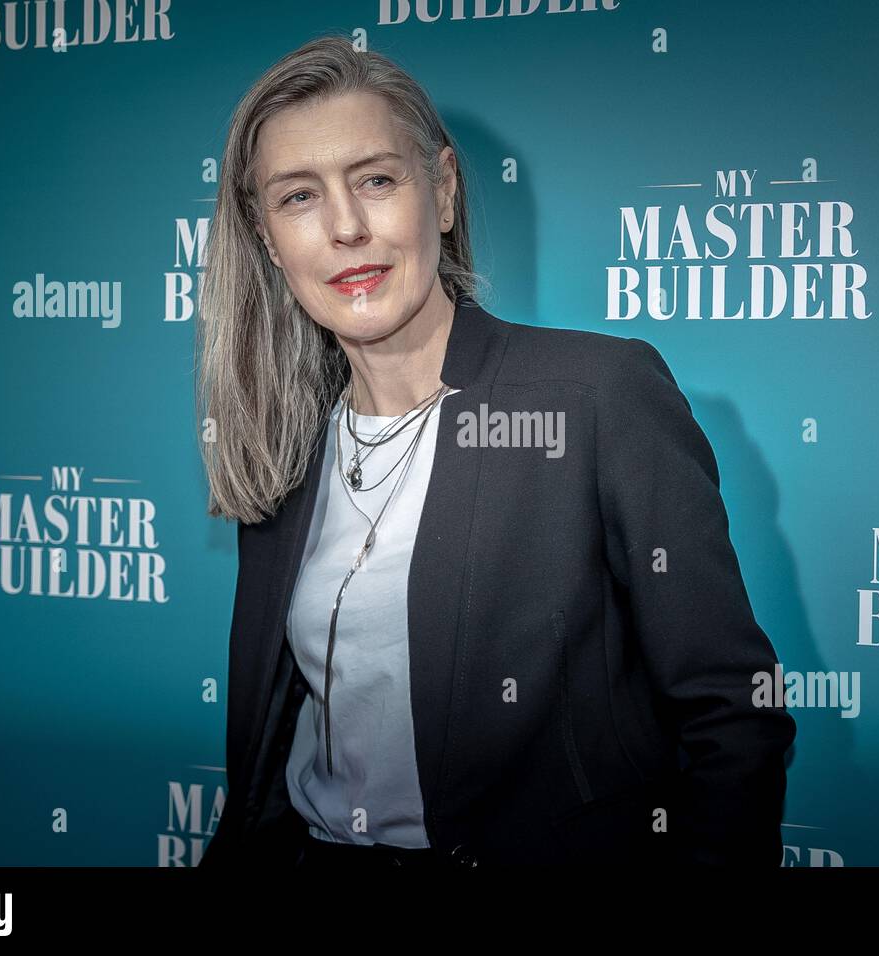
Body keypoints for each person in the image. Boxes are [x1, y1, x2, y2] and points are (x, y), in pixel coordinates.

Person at [194, 34, 796, 869]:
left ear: (440, 192)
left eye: (376, 180)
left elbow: (735, 713)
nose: (346, 228)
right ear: (266, 237)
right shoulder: (282, 449)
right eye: (299, 197)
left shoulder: (596, 395)